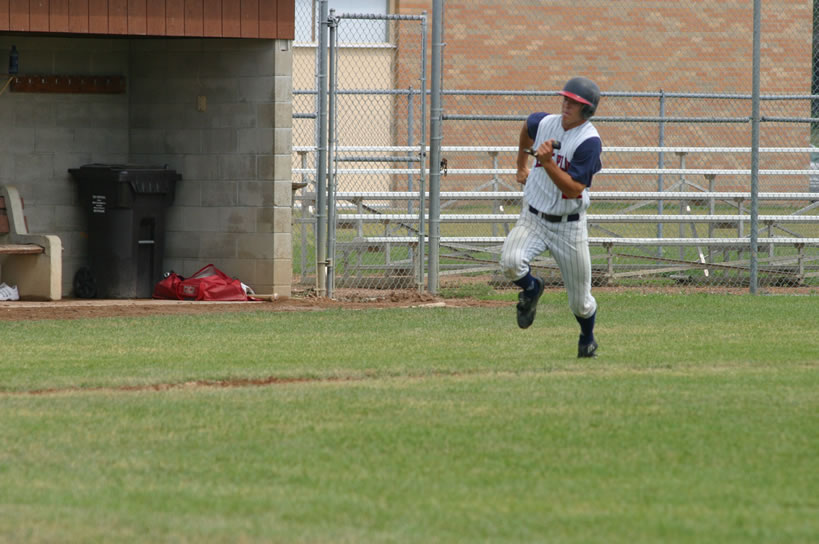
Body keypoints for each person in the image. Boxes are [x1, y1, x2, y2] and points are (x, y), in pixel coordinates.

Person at [499, 76, 603, 358]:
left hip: (569, 227)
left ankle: (587, 339)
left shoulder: (589, 142)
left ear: (587, 110)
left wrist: (546, 162)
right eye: (565, 99)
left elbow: (573, 189)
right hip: (533, 217)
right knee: (510, 262)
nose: (566, 105)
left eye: (574, 103)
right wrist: (521, 165)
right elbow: (527, 127)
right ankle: (532, 289)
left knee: (581, 303)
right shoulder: (545, 123)